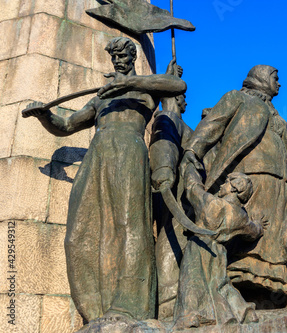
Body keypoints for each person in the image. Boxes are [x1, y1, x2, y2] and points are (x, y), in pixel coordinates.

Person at [23, 37, 186, 322]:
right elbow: (67, 125)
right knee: (78, 233)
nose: (118, 62)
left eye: (123, 57)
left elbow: (178, 86)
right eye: (114, 58)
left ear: (133, 58)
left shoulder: (145, 89)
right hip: (97, 155)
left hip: (128, 151)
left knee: (130, 225)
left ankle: (131, 307)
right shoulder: (102, 96)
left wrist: (132, 84)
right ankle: (94, 310)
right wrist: (45, 116)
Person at [180, 65, 287, 302]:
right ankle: (240, 288)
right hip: (250, 176)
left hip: (280, 183)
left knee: (277, 238)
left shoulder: (276, 113)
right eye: (276, 78)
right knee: (250, 241)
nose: (279, 84)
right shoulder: (237, 98)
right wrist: (193, 151)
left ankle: (276, 291)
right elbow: (211, 125)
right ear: (262, 78)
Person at [173, 169, 263, 329]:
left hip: (199, 246)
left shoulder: (211, 202)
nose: (222, 185)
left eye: (226, 182)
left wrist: (189, 168)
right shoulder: (240, 216)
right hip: (219, 252)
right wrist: (259, 226)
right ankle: (243, 312)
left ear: (235, 188)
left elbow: (193, 188)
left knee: (192, 280)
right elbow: (253, 232)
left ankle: (191, 315)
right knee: (220, 284)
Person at [149, 62, 196, 320]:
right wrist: (164, 171)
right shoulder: (169, 118)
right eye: (182, 96)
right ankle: (167, 309)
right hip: (174, 196)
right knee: (171, 245)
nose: (186, 101)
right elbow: (163, 143)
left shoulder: (178, 120)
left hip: (185, 199)